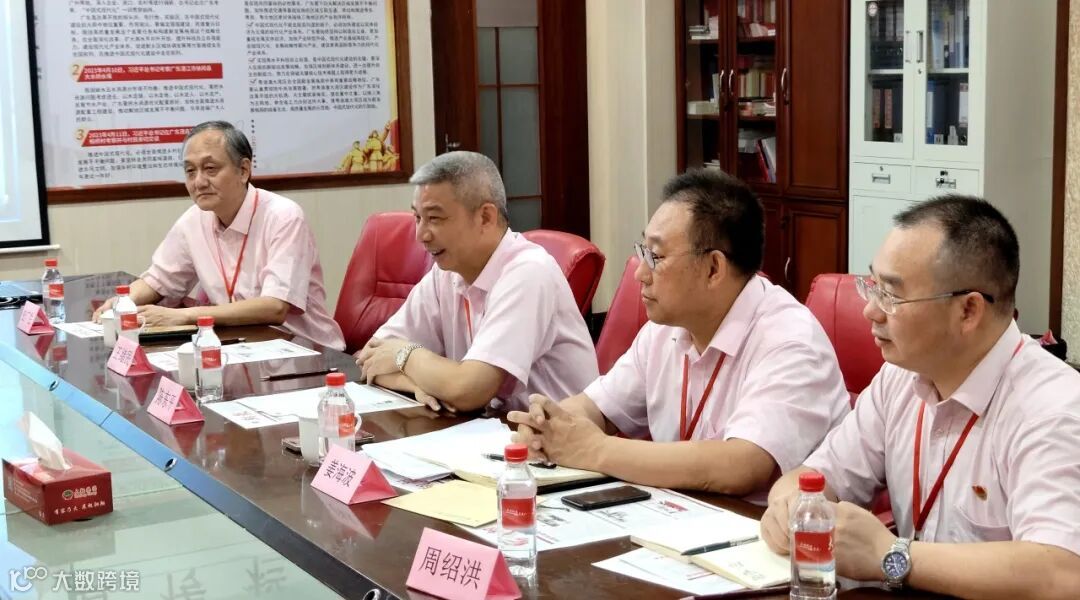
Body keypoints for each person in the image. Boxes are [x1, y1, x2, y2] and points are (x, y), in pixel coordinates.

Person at [759, 196, 1080, 597]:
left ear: (968, 311)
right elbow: (816, 478)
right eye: (872, 286)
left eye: (891, 296)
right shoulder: (899, 377)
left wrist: (890, 554)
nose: (870, 311)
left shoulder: (1053, 409)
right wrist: (790, 507)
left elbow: (1061, 572)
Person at [508, 170, 849, 496]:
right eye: (642, 251)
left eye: (655, 256)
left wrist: (594, 450)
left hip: (763, 528)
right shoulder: (666, 328)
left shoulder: (791, 340)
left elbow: (742, 465)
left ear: (713, 268)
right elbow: (595, 407)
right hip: (681, 514)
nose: (640, 273)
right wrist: (548, 427)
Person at [355, 151, 598, 413]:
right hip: (485, 428)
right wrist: (413, 384)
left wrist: (404, 355)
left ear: (485, 217)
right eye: (417, 217)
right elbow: (370, 356)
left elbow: (469, 391)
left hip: (550, 434)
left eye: (434, 218)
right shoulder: (446, 273)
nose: (421, 235)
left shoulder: (528, 273)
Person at [92, 121, 345, 351]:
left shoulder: (283, 217)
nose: (199, 182)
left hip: (305, 350)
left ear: (243, 170)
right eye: (190, 171)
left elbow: (275, 307)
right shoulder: (194, 220)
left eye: (210, 169)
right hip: (240, 346)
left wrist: (184, 317)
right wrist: (121, 303)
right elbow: (159, 280)